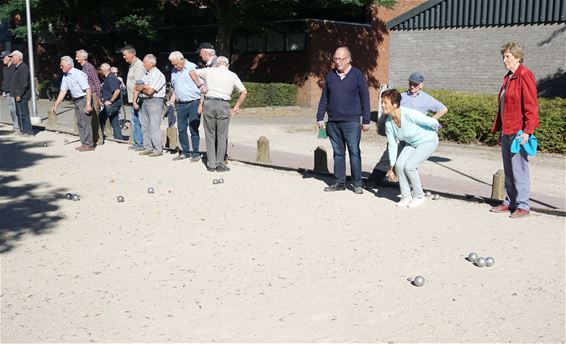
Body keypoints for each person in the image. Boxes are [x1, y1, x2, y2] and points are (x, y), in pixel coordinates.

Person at [364, 72, 448, 190]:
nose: (412, 86)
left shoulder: (426, 99)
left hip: (414, 137)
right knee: (387, 157)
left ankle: (408, 187)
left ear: (421, 85)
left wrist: (430, 120)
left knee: (409, 163)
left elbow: (443, 109)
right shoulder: (401, 97)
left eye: (415, 84)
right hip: (398, 133)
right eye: (410, 83)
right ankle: (372, 181)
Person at [490, 42, 539, 219]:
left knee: (520, 169)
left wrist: (528, 130)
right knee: (509, 170)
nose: (504, 60)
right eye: (503, 56)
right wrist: (500, 130)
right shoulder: (508, 78)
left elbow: (531, 106)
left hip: (519, 131)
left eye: (507, 56)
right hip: (507, 130)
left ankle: (523, 205)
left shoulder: (525, 75)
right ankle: (510, 202)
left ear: (518, 57)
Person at [316, 46, 371, 194]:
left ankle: (357, 183)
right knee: (338, 153)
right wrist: (320, 117)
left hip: (352, 122)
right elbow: (324, 98)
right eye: (335, 59)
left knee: (354, 152)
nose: (337, 62)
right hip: (333, 121)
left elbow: (365, 98)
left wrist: (366, 120)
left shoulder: (358, 75)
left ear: (348, 59)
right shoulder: (330, 76)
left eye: (340, 59)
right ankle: (339, 182)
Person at [381, 89, 440, 208]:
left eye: (385, 102)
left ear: (395, 104)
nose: (382, 105)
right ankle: (406, 196)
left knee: (410, 166)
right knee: (399, 165)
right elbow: (392, 145)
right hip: (412, 143)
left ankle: (419, 196)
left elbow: (432, 122)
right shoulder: (388, 122)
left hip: (427, 141)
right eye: (382, 102)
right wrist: (391, 167)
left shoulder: (409, 114)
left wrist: (435, 129)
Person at [189, 56, 247, 172]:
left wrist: (200, 85)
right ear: (228, 65)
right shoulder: (232, 75)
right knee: (222, 135)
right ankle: (220, 163)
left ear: (216, 64)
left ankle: (211, 164)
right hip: (223, 104)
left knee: (210, 134)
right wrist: (236, 107)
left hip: (209, 103)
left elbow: (191, 72)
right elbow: (244, 92)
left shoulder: (210, 71)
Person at [51, 56, 94, 151]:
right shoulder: (66, 76)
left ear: (68, 65)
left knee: (85, 122)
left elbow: (88, 89)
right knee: (79, 122)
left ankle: (89, 144)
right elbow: (63, 91)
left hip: (83, 98)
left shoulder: (78, 74)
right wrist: (56, 104)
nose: (60, 67)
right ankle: (84, 143)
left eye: (62, 65)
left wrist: (88, 104)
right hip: (76, 100)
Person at [167, 51, 201, 161]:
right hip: (181, 104)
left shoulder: (193, 67)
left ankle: (195, 153)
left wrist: (202, 103)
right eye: (173, 64)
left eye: (176, 64)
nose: (175, 66)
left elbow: (201, 86)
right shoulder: (174, 71)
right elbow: (176, 89)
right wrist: (171, 101)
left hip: (194, 102)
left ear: (182, 59)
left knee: (193, 128)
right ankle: (185, 152)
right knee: (181, 129)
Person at [135, 54, 166, 157]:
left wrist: (143, 88)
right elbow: (137, 86)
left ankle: (158, 149)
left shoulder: (158, 74)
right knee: (145, 126)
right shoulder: (146, 74)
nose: (143, 64)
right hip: (144, 101)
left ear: (152, 63)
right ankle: (148, 147)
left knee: (154, 126)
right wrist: (144, 87)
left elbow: (150, 91)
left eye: (145, 62)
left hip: (155, 101)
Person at [121, 45, 146, 151]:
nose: (123, 57)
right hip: (133, 99)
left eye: (125, 55)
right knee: (135, 121)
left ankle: (141, 143)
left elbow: (139, 84)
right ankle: (137, 142)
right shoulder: (132, 65)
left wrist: (135, 100)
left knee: (139, 121)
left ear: (132, 54)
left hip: (137, 99)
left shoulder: (138, 66)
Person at [9, 50, 33, 136]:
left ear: (19, 57)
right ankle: (23, 130)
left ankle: (29, 131)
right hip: (17, 94)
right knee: (19, 113)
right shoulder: (17, 67)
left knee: (24, 113)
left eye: (13, 57)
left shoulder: (23, 67)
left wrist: (19, 94)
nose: (12, 59)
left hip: (22, 95)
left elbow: (24, 83)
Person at [99, 63, 124, 140]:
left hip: (113, 104)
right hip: (115, 103)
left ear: (104, 70)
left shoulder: (111, 78)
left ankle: (98, 137)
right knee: (114, 120)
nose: (100, 71)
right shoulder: (109, 78)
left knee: (101, 118)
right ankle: (119, 138)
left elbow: (117, 91)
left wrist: (111, 101)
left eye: (101, 70)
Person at [1, 50, 18, 134]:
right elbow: (5, 80)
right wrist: (3, 91)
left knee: (15, 109)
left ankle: (18, 127)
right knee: (11, 110)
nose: (2, 59)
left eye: (3, 57)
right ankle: (15, 126)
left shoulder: (15, 67)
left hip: (14, 92)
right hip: (7, 92)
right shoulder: (4, 68)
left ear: (9, 57)